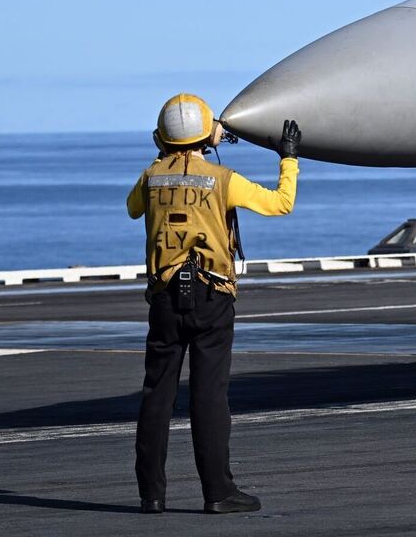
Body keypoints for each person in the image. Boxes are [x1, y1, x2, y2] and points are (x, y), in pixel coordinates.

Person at [127, 93, 301, 515]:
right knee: (209, 396)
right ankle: (219, 493)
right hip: (212, 295)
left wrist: (164, 159)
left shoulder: (151, 177)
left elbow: (133, 209)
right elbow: (281, 203)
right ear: (207, 136)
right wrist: (289, 158)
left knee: (156, 395)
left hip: (164, 297)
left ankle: (151, 495)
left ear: (161, 138)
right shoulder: (223, 179)